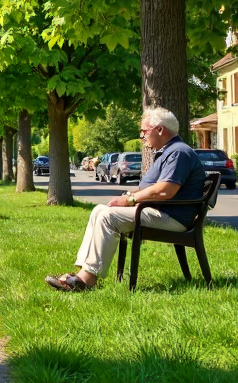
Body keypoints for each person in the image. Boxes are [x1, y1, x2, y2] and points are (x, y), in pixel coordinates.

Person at [46, 107, 208, 292]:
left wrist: (131, 199)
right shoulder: (170, 151)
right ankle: (84, 272)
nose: (142, 136)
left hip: (172, 217)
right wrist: (131, 197)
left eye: (144, 131)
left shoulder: (179, 153)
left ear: (160, 130)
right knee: (99, 210)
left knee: (108, 217)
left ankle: (86, 280)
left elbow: (165, 191)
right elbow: (154, 189)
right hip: (162, 211)